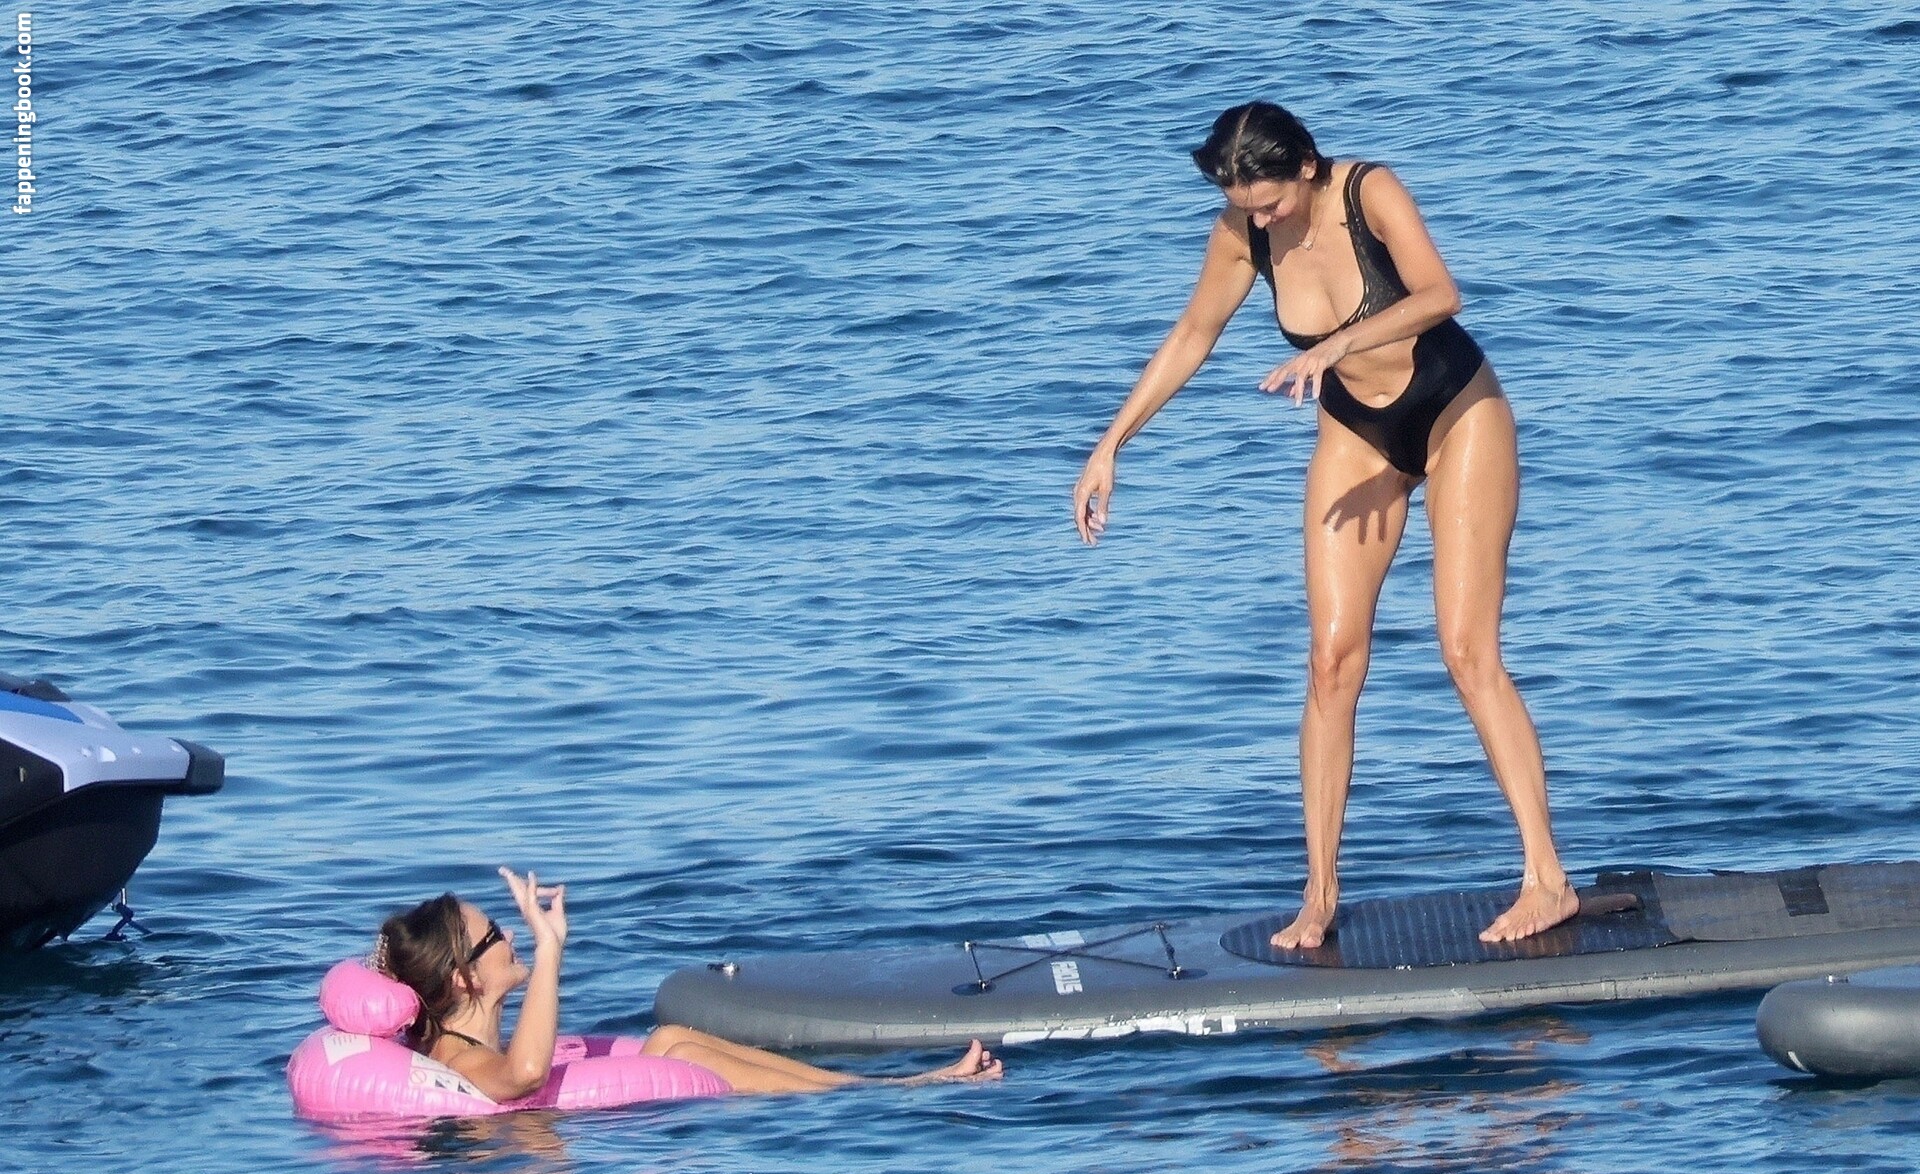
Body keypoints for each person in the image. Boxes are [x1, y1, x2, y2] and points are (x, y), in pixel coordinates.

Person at [1072, 101, 1577, 948]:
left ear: (1305, 165)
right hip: (1357, 435)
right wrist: (1110, 444)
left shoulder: (1368, 191)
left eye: (1269, 202)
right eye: (1245, 206)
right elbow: (1193, 333)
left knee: (1466, 652)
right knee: (1331, 662)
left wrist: (1335, 346)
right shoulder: (1242, 230)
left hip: (1456, 411)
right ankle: (1319, 893)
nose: (1260, 219)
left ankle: (1548, 880)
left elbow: (1441, 294)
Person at [374, 867, 1003, 1098]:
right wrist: (550, 947)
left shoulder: (463, 1043)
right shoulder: (457, 1060)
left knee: (673, 1037)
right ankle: (900, 1089)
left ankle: (873, 1089)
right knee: (675, 1051)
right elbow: (526, 1075)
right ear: (465, 977)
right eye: (494, 935)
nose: (510, 933)